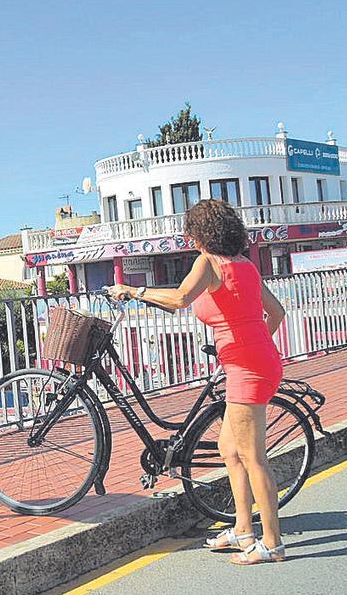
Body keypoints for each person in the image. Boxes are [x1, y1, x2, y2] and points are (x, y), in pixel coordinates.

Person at [109, 198, 288, 565]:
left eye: (190, 231)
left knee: (254, 458)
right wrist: (251, 347)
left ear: (201, 234)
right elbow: (277, 313)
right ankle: (243, 530)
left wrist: (132, 291)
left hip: (247, 368)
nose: (188, 238)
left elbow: (178, 299)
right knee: (230, 451)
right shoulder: (245, 266)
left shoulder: (208, 263)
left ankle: (272, 543)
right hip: (256, 362)